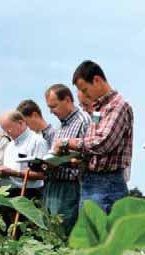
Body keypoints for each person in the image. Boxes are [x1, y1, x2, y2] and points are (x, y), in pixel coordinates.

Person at [53, 60, 133, 213]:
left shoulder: (118, 106)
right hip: (91, 183)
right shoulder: (98, 110)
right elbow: (92, 147)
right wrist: (78, 159)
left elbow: (102, 143)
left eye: (85, 89)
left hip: (106, 185)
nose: (84, 94)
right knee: (90, 234)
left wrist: (65, 143)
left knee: (101, 235)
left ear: (97, 80)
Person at [44, 83, 92, 235]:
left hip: (71, 187)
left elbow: (89, 153)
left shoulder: (84, 121)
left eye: (54, 106)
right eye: (49, 107)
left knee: (65, 233)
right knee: (50, 232)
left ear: (67, 100)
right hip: (53, 184)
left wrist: (67, 159)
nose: (51, 111)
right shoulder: (60, 126)